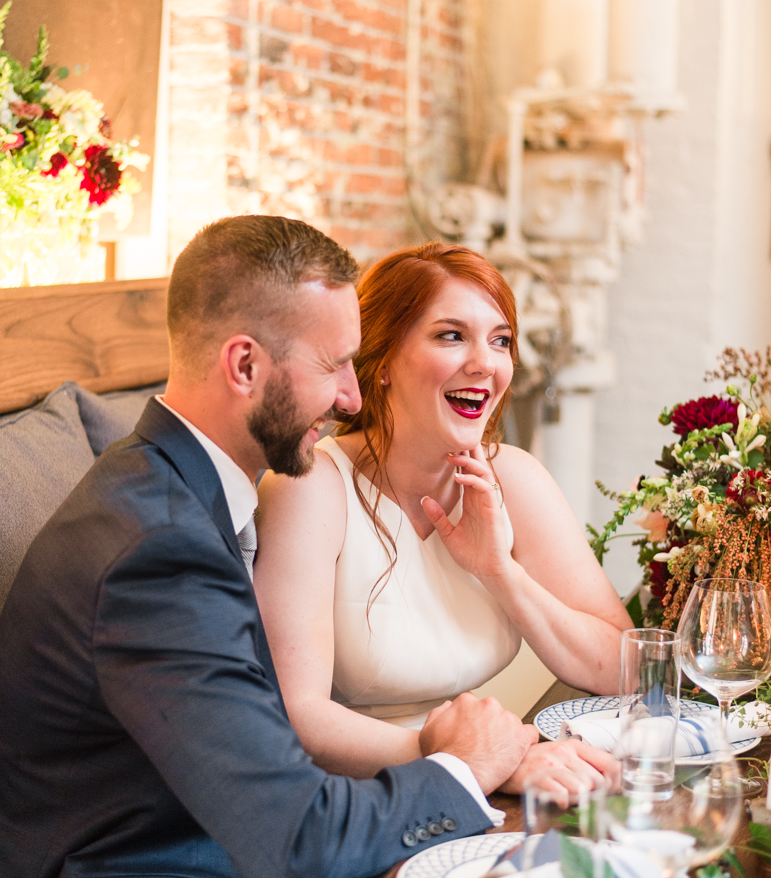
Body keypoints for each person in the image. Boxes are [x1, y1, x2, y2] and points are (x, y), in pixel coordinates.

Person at [0, 217, 615, 878]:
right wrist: (466, 765)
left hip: (217, 876)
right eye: (336, 365)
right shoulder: (157, 548)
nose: (351, 396)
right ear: (245, 365)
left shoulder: (178, 493)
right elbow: (296, 836)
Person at [255, 242, 631, 782]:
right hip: (360, 797)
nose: (485, 364)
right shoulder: (310, 486)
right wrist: (481, 761)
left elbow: (623, 665)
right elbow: (298, 717)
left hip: (484, 778)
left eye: (499, 341)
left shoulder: (514, 478)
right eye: (451, 336)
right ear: (382, 362)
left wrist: (501, 572)